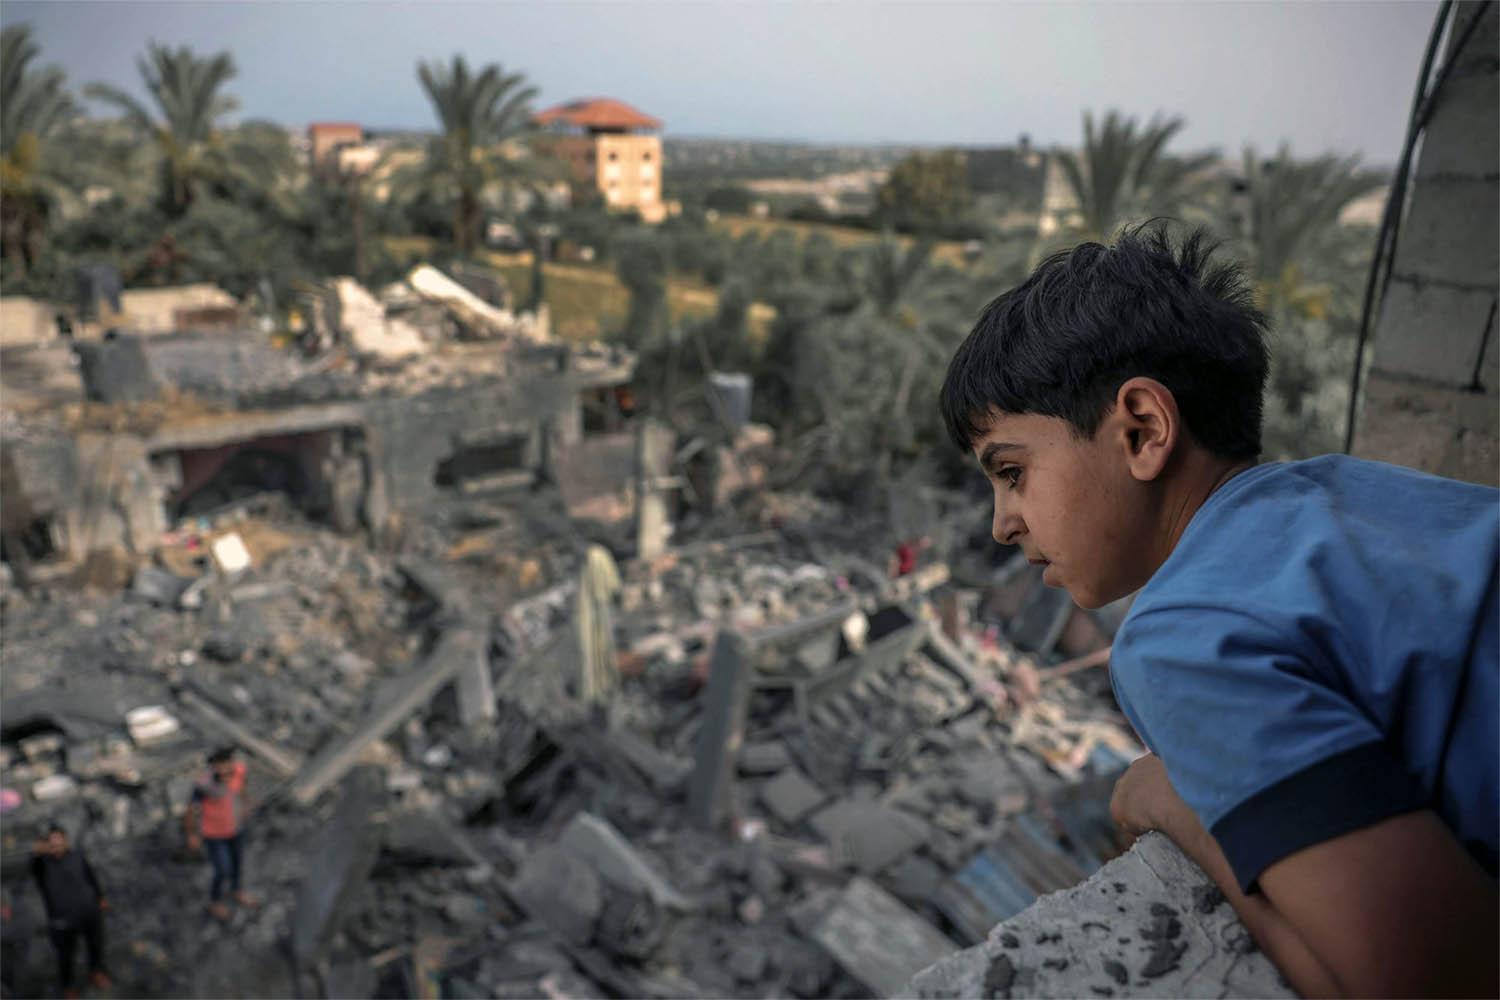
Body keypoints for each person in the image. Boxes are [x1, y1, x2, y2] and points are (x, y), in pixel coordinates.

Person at [938, 224, 1497, 997]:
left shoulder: (1182, 634)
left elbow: (1431, 977)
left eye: (1011, 470)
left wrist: (1168, 804)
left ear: (1142, 430)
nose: (1002, 522)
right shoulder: (1354, 494)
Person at [29, 826, 110, 998]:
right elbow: (32, 864)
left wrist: (100, 898)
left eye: (60, 840)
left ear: (66, 841)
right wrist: (37, 853)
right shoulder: (42, 865)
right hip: (63, 920)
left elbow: (91, 877)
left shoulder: (77, 856)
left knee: (95, 946)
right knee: (65, 956)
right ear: (47, 844)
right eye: (53, 841)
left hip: (89, 912)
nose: (57, 844)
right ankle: (68, 987)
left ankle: (96, 972)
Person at [184, 747, 256, 921]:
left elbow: (242, 788)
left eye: (227, 766)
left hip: (235, 828)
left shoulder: (239, 771)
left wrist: (245, 804)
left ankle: (236, 890)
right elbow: (192, 810)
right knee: (222, 870)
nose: (224, 772)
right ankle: (214, 901)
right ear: (213, 767)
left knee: (237, 863)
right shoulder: (204, 785)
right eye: (219, 767)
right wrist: (192, 834)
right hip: (214, 835)